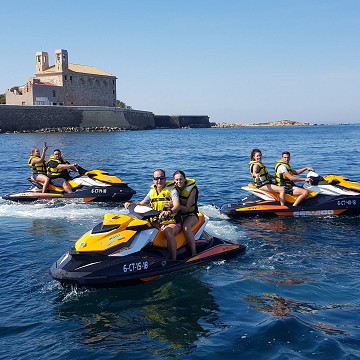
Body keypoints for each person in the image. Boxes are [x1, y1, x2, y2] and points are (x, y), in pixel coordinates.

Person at [124, 169, 181, 260]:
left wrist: (169, 211)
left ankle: (173, 259)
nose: (159, 180)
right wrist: (131, 204)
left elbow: (177, 205)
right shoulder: (152, 192)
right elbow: (143, 203)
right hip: (158, 222)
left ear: (165, 179)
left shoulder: (172, 191)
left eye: (161, 178)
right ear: (153, 179)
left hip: (172, 222)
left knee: (168, 232)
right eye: (157, 178)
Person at [171, 170, 198, 257]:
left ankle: (194, 252)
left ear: (185, 179)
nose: (179, 182)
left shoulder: (192, 189)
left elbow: (187, 209)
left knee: (185, 227)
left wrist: (174, 205)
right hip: (178, 214)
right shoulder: (172, 188)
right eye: (177, 180)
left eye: (181, 179)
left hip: (191, 214)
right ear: (174, 180)